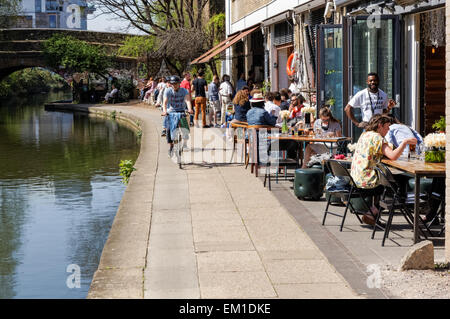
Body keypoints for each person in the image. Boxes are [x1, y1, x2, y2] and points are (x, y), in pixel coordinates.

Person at [350, 114, 417, 225]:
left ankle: (373, 213)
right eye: (387, 127)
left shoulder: (364, 135)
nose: (388, 129)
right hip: (368, 182)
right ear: (380, 126)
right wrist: (404, 143)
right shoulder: (377, 138)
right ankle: (373, 212)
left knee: (390, 181)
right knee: (397, 184)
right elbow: (393, 156)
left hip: (355, 180)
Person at [161, 75, 194, 156]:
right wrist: (165, 111)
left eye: (176, 83)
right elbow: (165, 102)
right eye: (172, 84)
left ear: (179, 83)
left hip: (181, 111)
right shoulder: (168, 91)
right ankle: (171, 146)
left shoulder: (184, 91)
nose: (174, 85)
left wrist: (190, 109)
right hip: (171, 112)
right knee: (168, 129)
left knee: (185, 128)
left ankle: (185, 144)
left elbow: (187, 100)